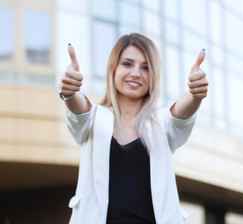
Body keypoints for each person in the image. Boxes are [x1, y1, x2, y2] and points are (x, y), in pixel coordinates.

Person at [59, 33, 208, 224]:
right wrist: (70, 93)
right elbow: (79, 111)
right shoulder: (94, 119)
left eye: (146, 67)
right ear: (113, 68)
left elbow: (180, 115)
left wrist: (195, 95)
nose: (136, 73)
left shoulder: (161, 123)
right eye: (127, 64)